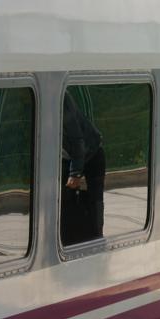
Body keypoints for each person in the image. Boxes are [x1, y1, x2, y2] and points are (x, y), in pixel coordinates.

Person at [61, 92, 107, 245]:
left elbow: (77, 141)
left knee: (94, 198)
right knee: (66, 198)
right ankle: (69, 235)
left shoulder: (61, 98)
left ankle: (96, 235)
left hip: (92, 153)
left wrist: (75, 174)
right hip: (69, 157)